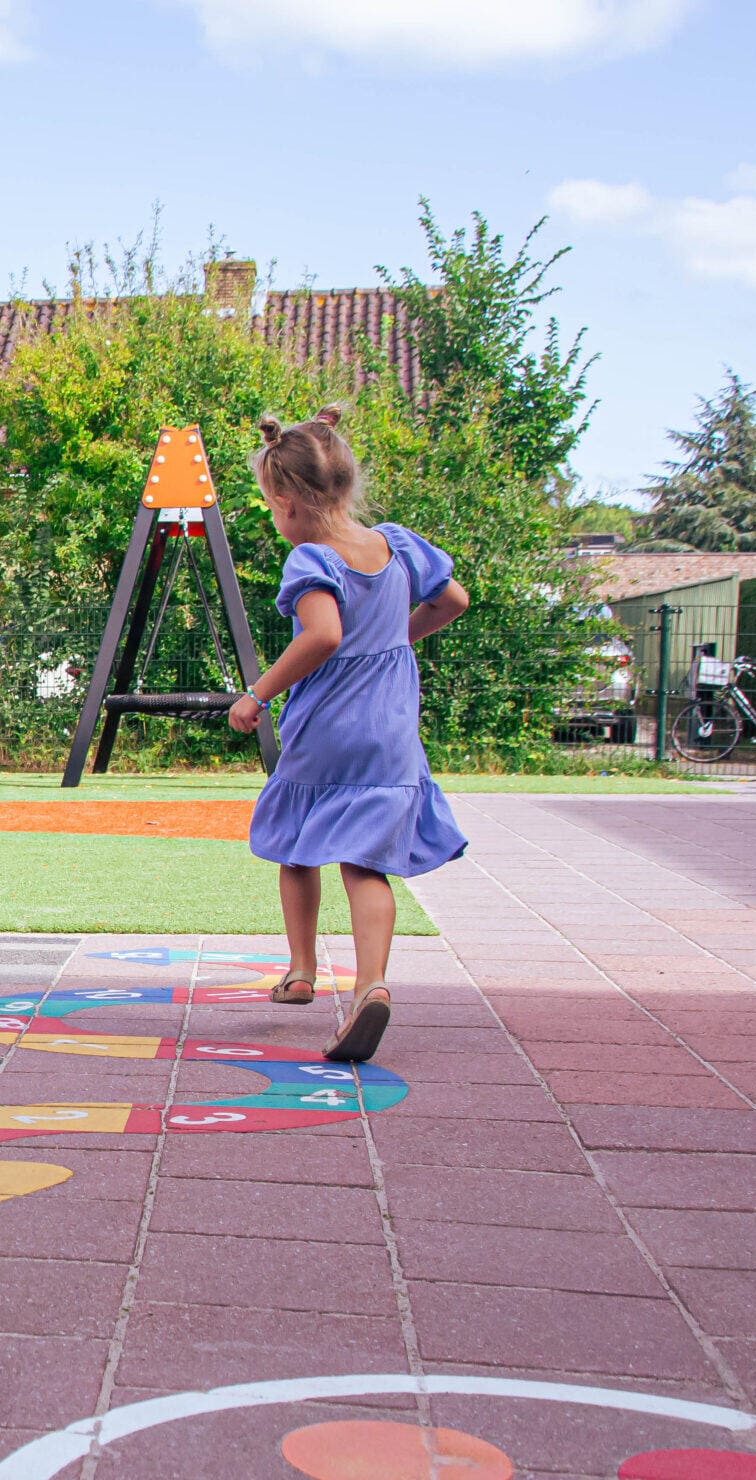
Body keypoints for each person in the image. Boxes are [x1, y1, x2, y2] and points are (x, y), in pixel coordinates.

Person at [228, 405, 470, 1063]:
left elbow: (324, 635)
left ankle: (301, 970)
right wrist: (393, 639)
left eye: (272, 508)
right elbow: (454, 601)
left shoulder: (313, 557)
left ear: (288, 501)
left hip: (328, 723)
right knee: (367, 861)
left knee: (298, 840)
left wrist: (257, 693)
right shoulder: (395, 545)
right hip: (389, 728)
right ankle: (370, 985)